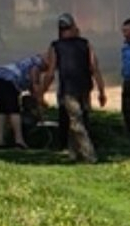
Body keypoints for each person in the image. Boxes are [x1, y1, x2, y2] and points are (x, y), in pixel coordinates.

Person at [38, 13, 106, 163]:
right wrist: (101, 91)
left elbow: (50, 73)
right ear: (74, 27)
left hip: (68, 89)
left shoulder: (56, 46)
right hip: (85, 87)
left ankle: (90, 155)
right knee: (78, 118)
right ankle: (74, 153)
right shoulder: (86, 44)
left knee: (76, 121)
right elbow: (94, 67)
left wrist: (41, 92)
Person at [0, 52, 47, 149]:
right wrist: (40, 104)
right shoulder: (36, 66)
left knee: (2, 110)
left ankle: (0, 140)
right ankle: (19, 141)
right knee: (14, 110)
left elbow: (31, 89)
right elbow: (34, 85)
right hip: (7, 79)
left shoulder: (28, 63)